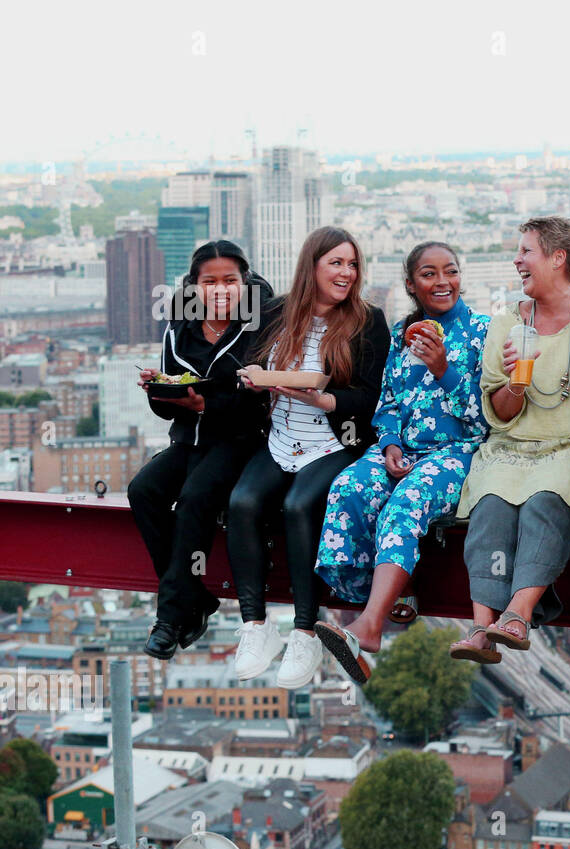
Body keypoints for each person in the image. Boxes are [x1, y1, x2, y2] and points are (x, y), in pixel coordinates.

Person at [313, 242, 489, 684]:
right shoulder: (400, 334)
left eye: (450, 271)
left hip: (457, 451)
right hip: (401, 448)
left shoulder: (484, 331)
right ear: (411, 285)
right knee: (349, 489)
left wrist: (444, 369)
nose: (442, 281)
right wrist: (389, 443)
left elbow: (485, 417)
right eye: (429, 274)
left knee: (404, 504)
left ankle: (369, 626)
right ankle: (390, 591)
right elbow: (387, 402)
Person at [448, 216, 570, 664]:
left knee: (547, 501)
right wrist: (516, 383)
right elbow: (501, 413)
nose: (516, 260)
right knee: (490, 508)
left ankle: (518, 615)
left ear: (557, 258)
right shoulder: (506, 321)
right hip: (513, 445)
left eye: (526, 251)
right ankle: (482, 627)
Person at [227, 226, 389, 689]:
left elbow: (373, 396)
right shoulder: (277, 312)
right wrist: (253, 381)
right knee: (242, 503)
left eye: (352, 264)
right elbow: (245, 369)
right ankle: (256, 627)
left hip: (334, 441)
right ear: (312, 266)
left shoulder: (366, 320)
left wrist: (327, 401)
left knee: (300, 507)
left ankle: (304, 631)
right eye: (336, 263)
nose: (346, 273)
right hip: (280, 439)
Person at [128, 240, 273, 659]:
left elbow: (261, 403)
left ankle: (170, 618)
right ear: (193, 287)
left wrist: (207, 404)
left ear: (244, 283)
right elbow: (166, 410)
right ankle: (197, 596)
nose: (220, 290)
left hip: (242, 442)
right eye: (209, 282)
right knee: (144, 491)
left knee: (195, 497)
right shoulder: (179, 327)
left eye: (230, 280)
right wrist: (159, 390)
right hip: (188, 438)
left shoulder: (260, 327)